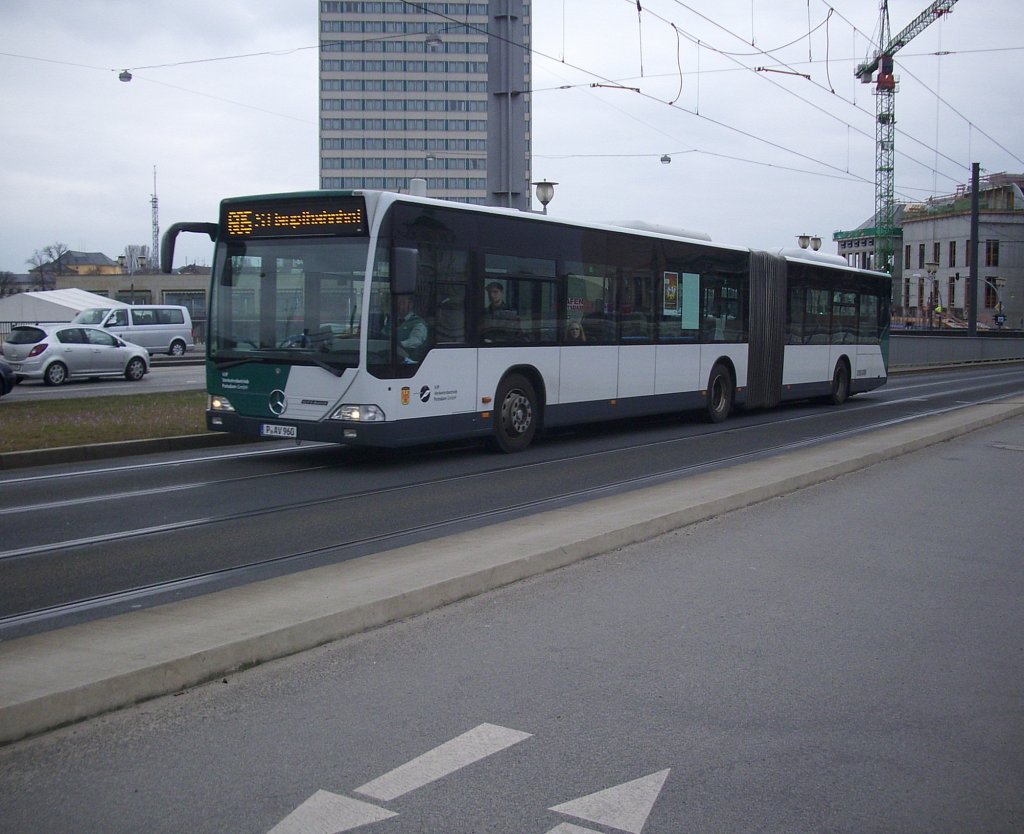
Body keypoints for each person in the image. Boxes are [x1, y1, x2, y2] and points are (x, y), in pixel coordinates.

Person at [395, 294, 428, 363]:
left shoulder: (418, 322)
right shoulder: (391, 320)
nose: (398, 306)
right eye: (397, 303)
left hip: (409, 359)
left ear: (410, 305)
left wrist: (400, 344)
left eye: (402, 303)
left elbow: (416, 340)